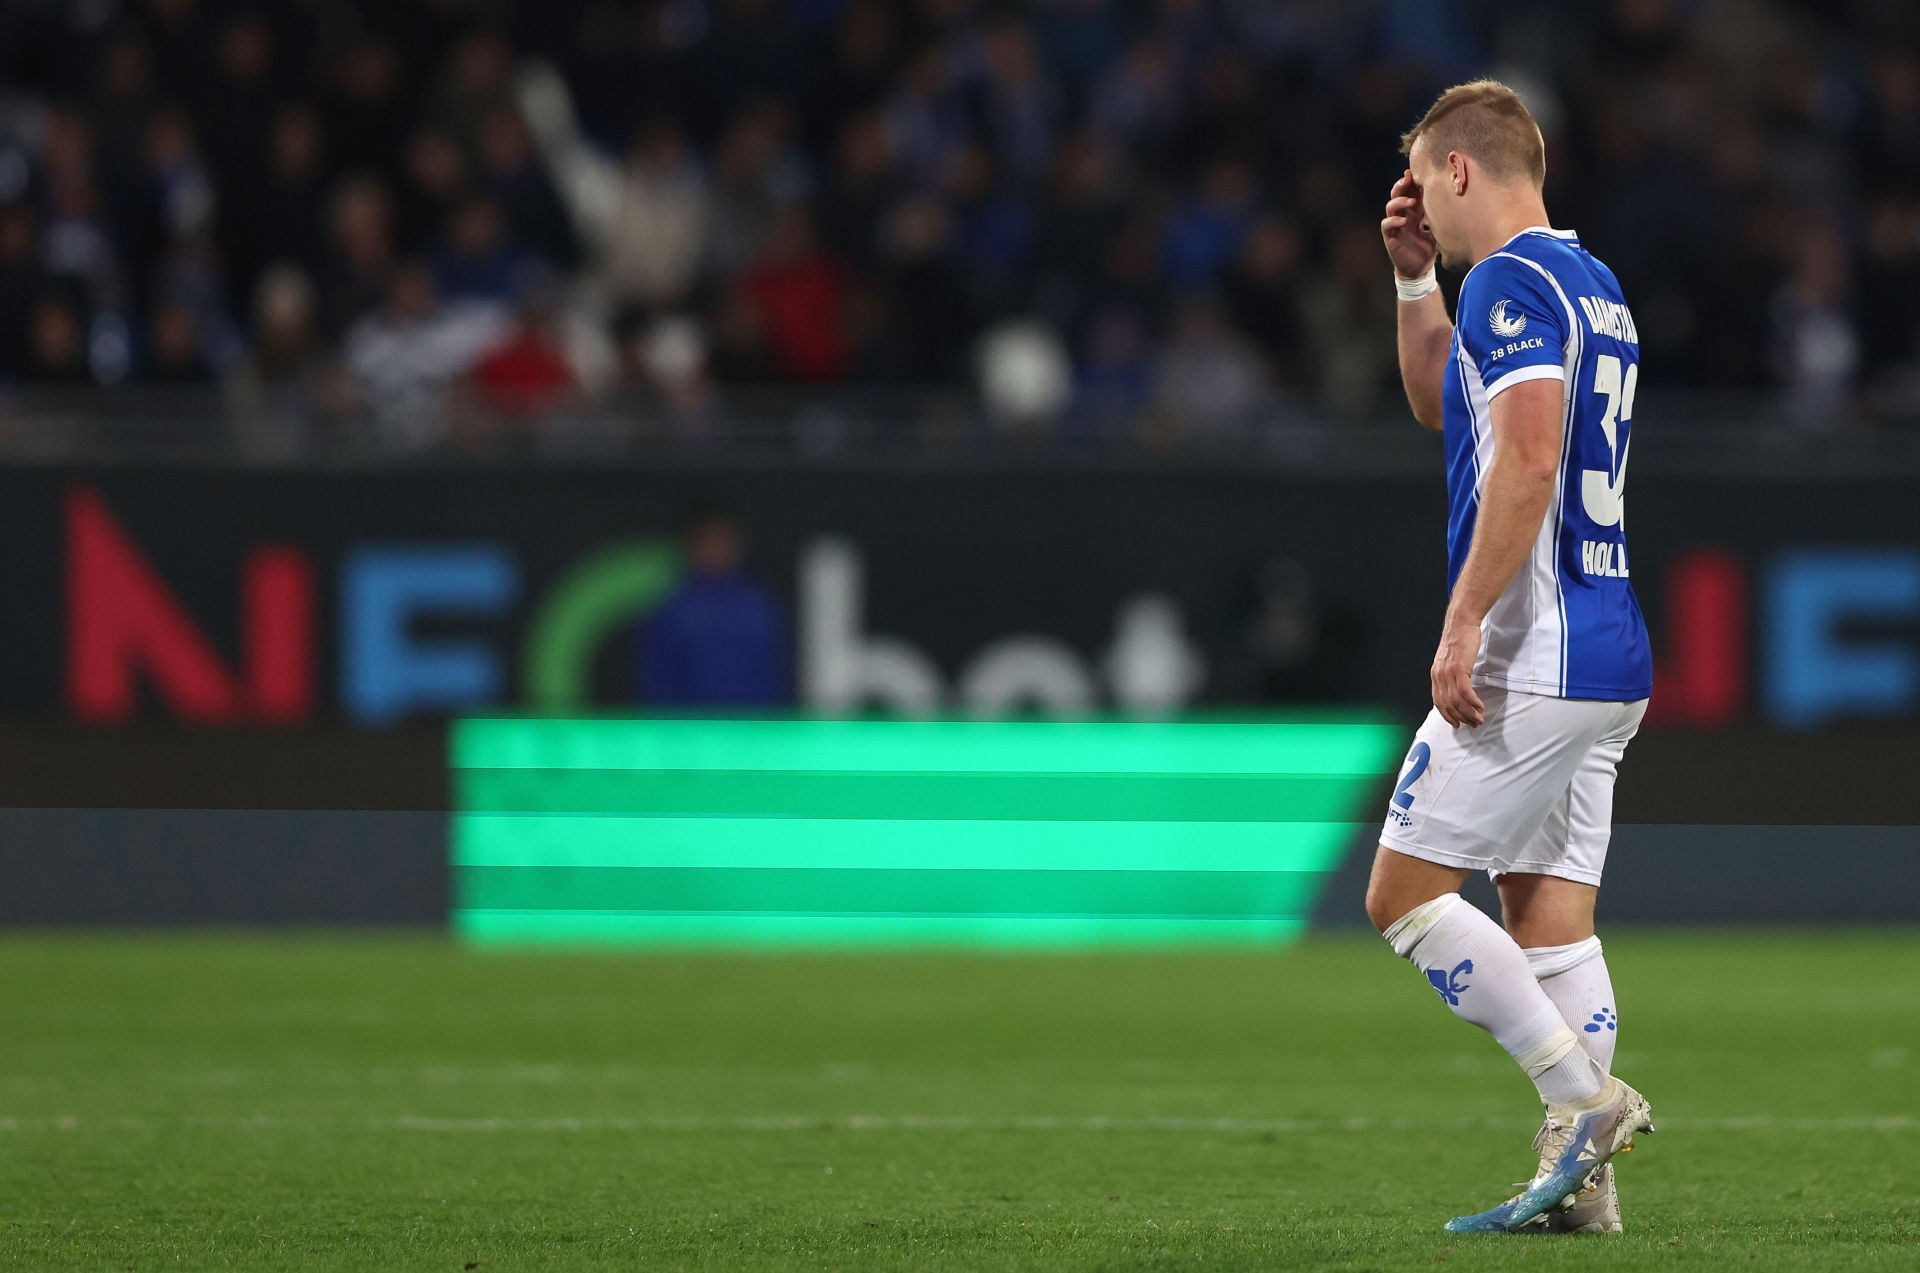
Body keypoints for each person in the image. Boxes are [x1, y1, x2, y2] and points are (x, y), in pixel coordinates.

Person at [1364, 81, 1655, 1235]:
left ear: (1463, 170)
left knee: (1401, 894)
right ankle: (1585, 1191)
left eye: (1426, 183)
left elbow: (1528, 462)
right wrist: (1409, 282)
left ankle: (1583, 1101)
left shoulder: (1511, 282)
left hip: (1534, 650)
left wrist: (1462, 619)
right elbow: (1451, 406)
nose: (1422, 206)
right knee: (1549, 917)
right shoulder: (1593, 286)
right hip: (1610, 652)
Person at [639, 510, 790, 707]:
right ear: (691, 546)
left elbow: (779, 675)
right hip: (689, 730)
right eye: (708, 541)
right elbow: (658, 683)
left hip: (753, 728)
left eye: (722, 540)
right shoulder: (670, 609)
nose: (716, 549)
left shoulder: (759, 605)